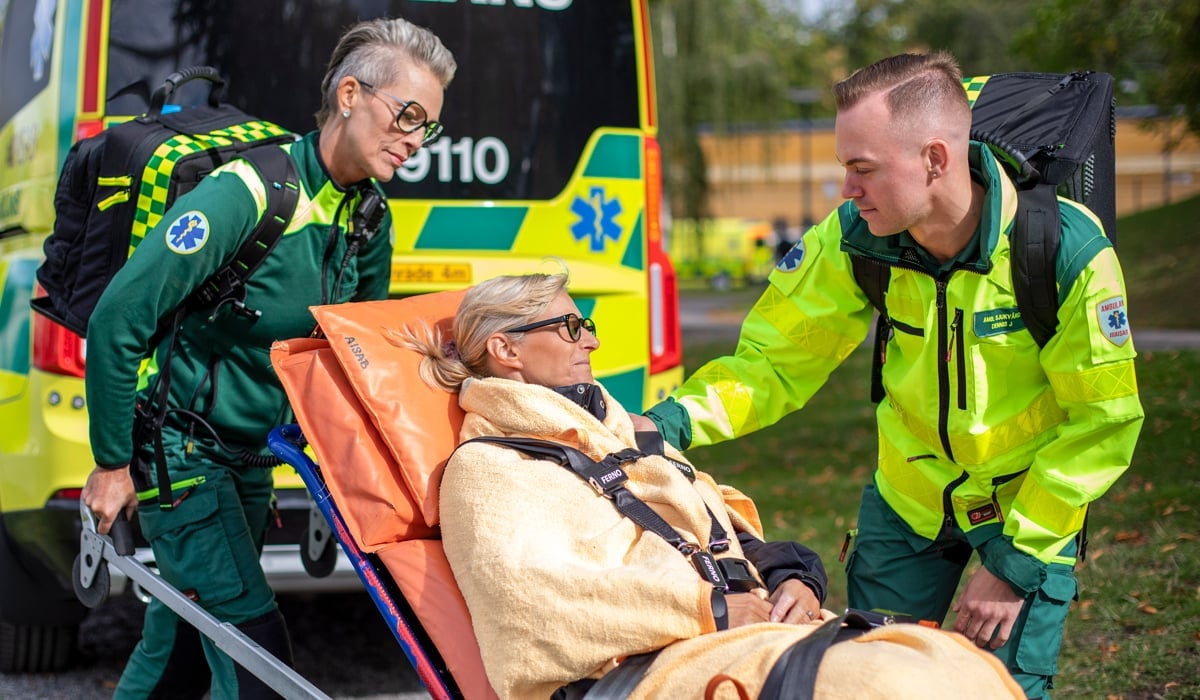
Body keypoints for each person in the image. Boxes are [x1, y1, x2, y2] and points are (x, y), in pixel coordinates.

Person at [637, 52, 1145, 699]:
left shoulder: (1064, 250)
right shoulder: (854, 238)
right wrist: (665, 424)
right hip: (907, 504)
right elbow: (772, 363)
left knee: (1001, 690)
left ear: (935, 158)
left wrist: (1015, 566)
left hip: (1029, 509)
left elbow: (1103, 420)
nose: (846, 189)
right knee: (875, 680)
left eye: (862, 169)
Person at [400, 272, 1024, 700]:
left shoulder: (614, 432)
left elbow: (718, 526)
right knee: (893, 686)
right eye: (570, 327)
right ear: (505, 349)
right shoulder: (488, 470)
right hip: (639, 671)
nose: (591, 338)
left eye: (586, 323)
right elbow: (532, 605)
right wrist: (713, 607)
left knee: (959, 668)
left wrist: (790, 580)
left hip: (739, 635)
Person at [79, 17, 456, 699]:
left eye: (426, 126)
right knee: (259, 665)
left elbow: (353, 370)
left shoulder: (368, 219)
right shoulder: (248, 193)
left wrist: (342, 494)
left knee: (185, 651)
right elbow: (117, 320)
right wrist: (111, 463)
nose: (414, 141)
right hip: (182, 461)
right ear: (349, 94)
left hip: (251, 469)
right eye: (406, 116)